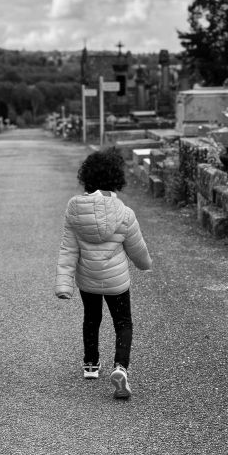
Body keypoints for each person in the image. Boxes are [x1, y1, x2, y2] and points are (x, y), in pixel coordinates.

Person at [55, 149, 152, 399]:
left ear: (86, 177)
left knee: (91, 318)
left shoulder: (75, 210)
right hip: (117, 282)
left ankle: (90, 364)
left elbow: (68, 249)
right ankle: (120, 367)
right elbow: (137, 249)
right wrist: (145, 264)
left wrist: (65, 285)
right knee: (123, 323)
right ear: (116, 179)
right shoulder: (125, 214)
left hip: (88, 280)